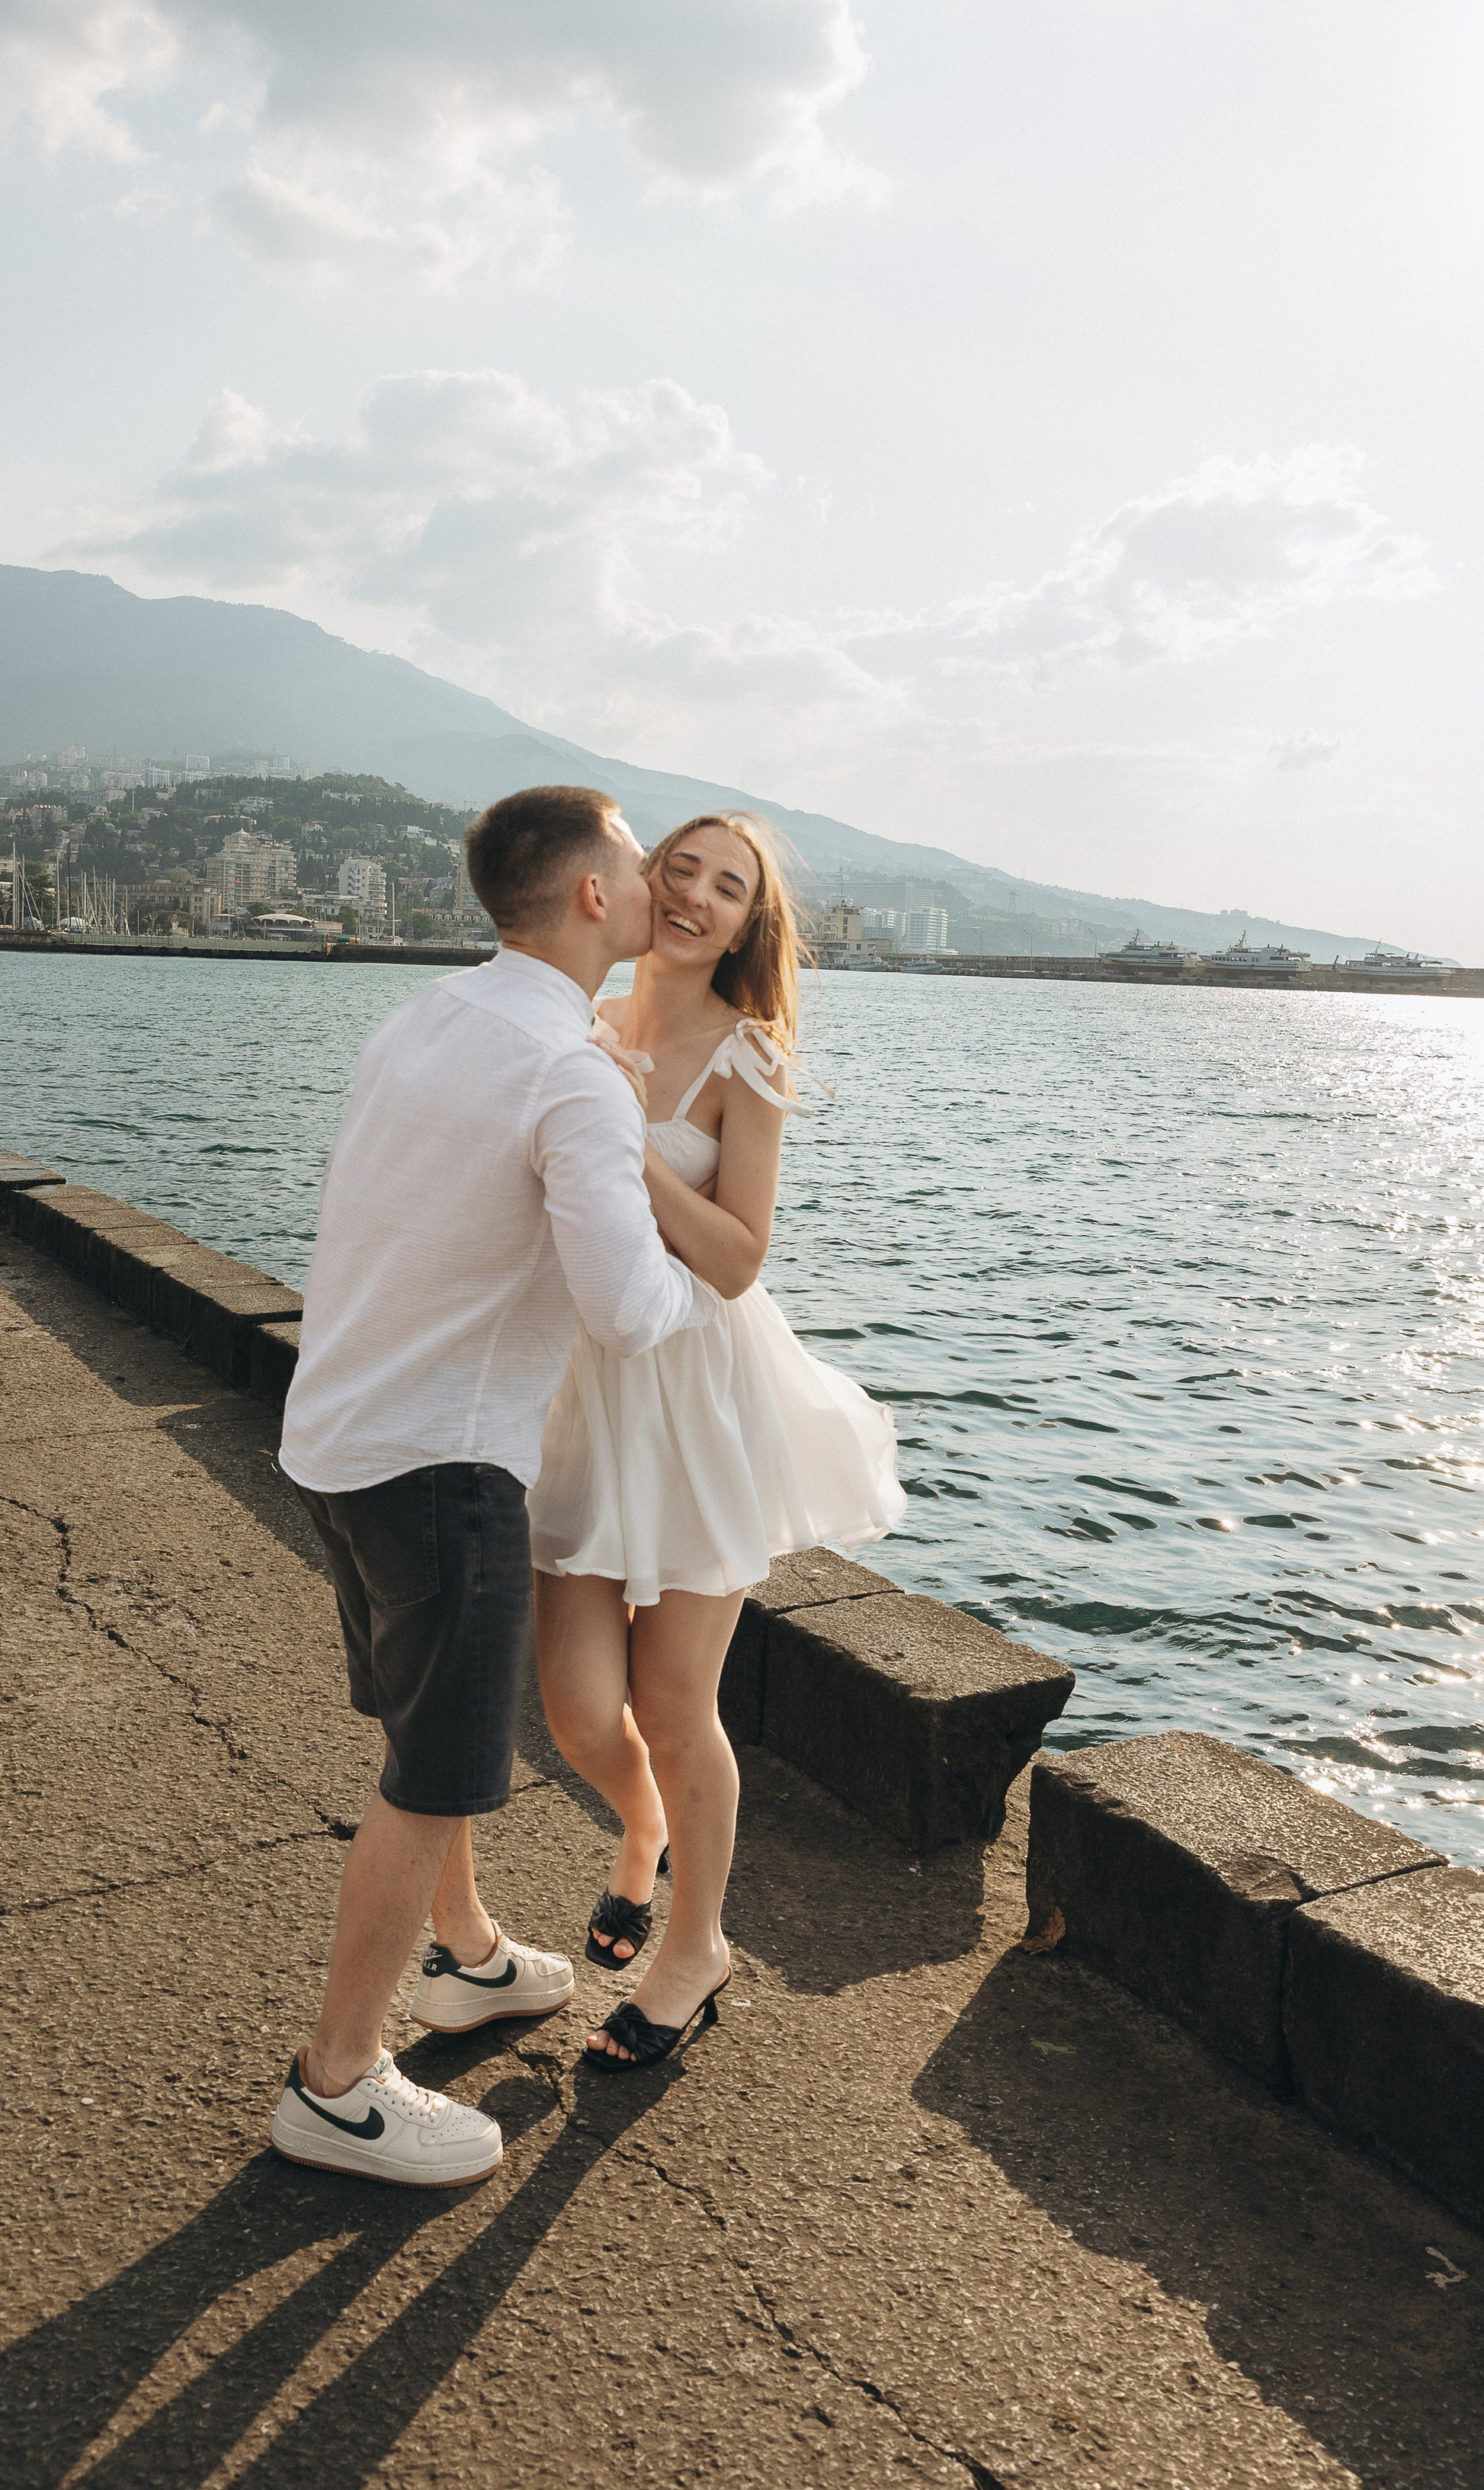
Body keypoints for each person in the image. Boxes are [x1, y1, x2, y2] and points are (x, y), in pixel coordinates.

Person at [270, 785, 716, 2187]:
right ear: (591, 893)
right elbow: (629, 1310)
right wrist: (716, 1285)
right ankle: (336, 2084)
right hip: (441, 1463)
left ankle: (467, 1959)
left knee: (421, 1731)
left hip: (336, 1431)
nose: (656, 885)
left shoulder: (424, 1018)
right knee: (435, 1775)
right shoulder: (569, 1073)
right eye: (639, 863)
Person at [529, 812, 903, 2071]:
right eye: (678, 869)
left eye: (727, 887)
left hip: (701, 1395)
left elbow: (740, 1259)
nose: (694, 896)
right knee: (579, 1708)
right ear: (639, 882)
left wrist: (622, 1150)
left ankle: (695, 1949)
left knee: (674, 1703)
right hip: (585, 1388)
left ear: (750, 924)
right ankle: (643, 1833)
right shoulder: (577, 1024)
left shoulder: (749, 1056)